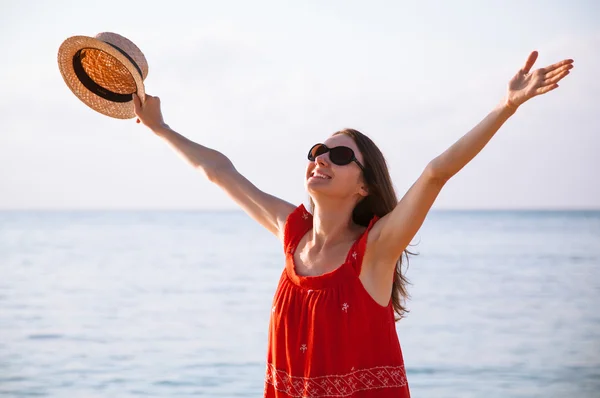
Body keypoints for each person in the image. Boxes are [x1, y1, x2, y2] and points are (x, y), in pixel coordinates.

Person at [132, 50, 573, 397]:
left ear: (364, 186)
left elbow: (437, 171)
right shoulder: (292, 235)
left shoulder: (376, 251)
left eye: (340, 156)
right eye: (317, 151)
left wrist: (508, 105)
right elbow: (219, 170)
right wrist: (161, 128)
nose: (321, 158)